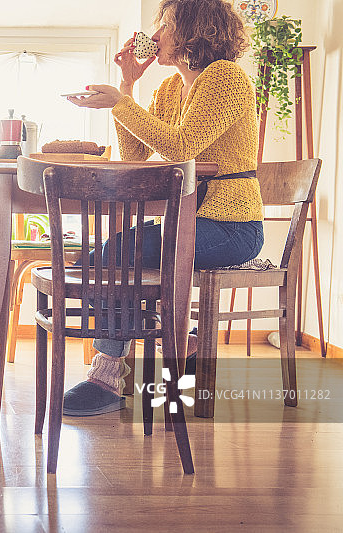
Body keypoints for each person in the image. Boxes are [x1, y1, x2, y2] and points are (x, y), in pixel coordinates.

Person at [63, 0, 264, 416]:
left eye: (165, 26)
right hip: (186, 222)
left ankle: (107, 375)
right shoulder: (170, 88)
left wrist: (119, 103)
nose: (154, 36)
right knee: (103, 258)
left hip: (231, 227)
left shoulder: (225, 77)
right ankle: (176, 338)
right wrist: (127, 87)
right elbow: (136, 154)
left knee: (115, 254)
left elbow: (181, 147)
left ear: (194, 30)